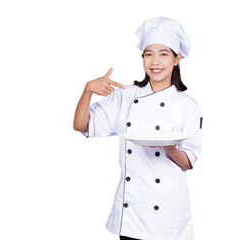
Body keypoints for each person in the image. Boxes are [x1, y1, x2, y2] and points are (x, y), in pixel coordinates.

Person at [73, 16, 203, 240]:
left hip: (168, 215)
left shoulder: (188, 106)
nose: (155, 61)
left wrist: (170, 148)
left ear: (176, 58)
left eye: (164, 54)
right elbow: (80, 125)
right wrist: (87, 91)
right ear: (142, 58)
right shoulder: (126, 95)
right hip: (131, 213)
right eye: (149, 54)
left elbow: (188, 163)